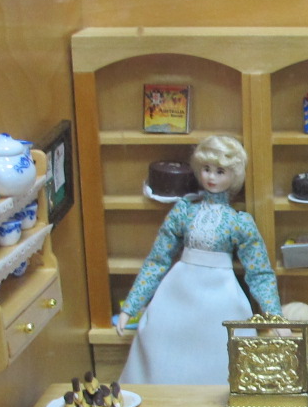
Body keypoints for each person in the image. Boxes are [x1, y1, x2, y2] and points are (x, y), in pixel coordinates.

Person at [116, 134, 281, 385]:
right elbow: (157, 260)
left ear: (233, 175)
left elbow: (259, 272)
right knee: (160, 340)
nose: (211, 177)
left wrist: (275, 316)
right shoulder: (184, 211)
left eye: (220, 171)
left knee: (222, 351)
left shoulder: (239, 222)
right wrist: (131, 306)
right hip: (178, 294)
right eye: (206, 169)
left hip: (221, 298)